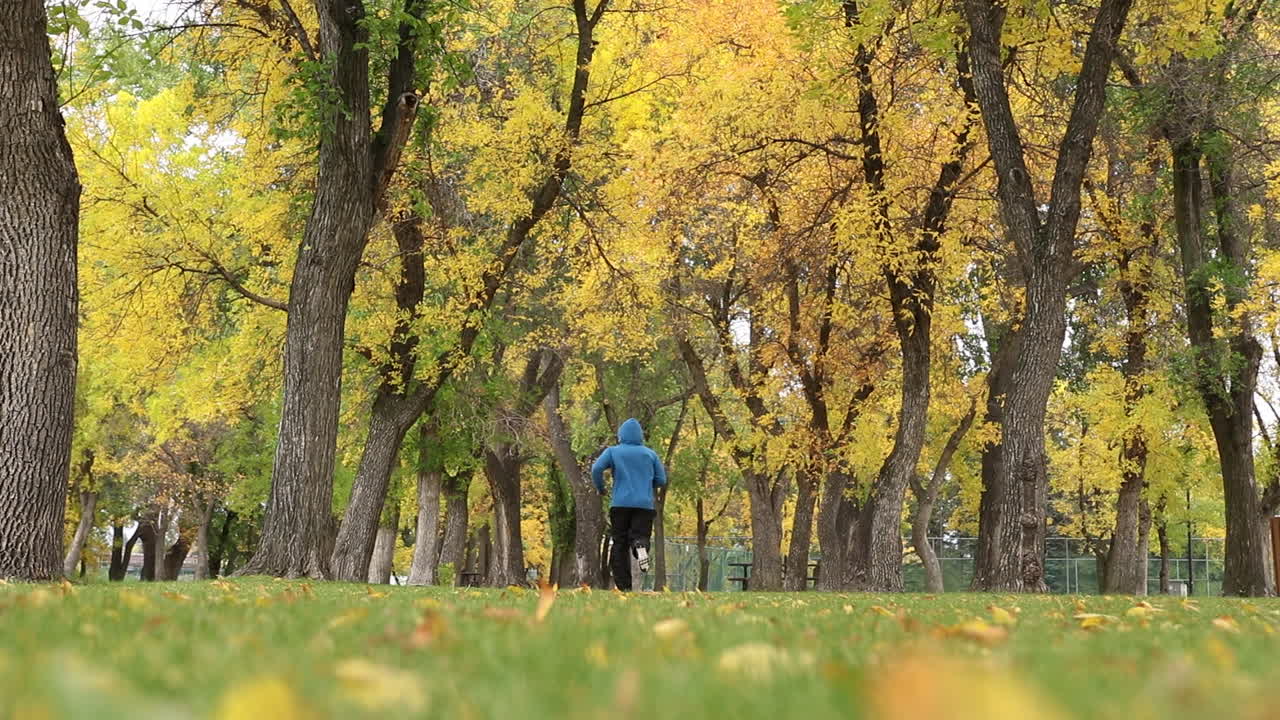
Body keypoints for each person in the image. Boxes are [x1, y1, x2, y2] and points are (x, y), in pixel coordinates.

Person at [591, 418, 667, 591]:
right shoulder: (650, 454)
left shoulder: (612, 452)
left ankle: (624, 586)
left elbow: (596, 469)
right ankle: (640, 546)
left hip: (620, 504)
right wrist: (646, 485)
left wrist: (601, 488)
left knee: (619, 543)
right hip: (644, 505)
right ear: (640, 436)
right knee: (640, 536)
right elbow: (662, 479)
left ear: (621, 435)